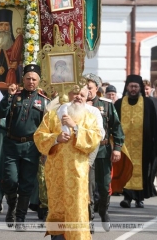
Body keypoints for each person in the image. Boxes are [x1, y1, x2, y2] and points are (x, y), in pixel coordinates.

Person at [34, 86, 102, 240]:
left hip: (77, 173)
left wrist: (75, 127)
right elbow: (38, 137)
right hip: (56, 172)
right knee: (57, 207)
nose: (78, 97)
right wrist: (56, 139)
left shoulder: (90, 117)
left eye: (82, 95)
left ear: (87, 98)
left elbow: (94, 140)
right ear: (69, 94)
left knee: (77, 208)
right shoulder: (52, 116)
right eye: (75, 93)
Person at [0, 64, 50, 230]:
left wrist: (44, 150)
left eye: (34, 79)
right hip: (12, 145)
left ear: (39, 81)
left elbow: (46, 128)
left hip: (32, 147)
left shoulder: (44, 101)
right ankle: (11, 205)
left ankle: (20, 218)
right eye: (28, 78)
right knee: (10, 180)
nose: (31, 82)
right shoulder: (14, 96)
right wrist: (8, 98)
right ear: (23, 79)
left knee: (26, 184)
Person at [114, 74, 157, 208]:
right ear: (127, 87)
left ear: (140, 88)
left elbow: (156, 124)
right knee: (126, 169)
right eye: (131, 86)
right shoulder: (119, 103)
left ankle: (139, 198)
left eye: (136, 87)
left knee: (143, 171)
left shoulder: (148, 103)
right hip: (124, 145)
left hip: (144, 145)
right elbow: (113, 124)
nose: (133, 89)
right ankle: (127, 197)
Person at [84, 73, 124, 231]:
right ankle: (89, 219)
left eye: (90, 88)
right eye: (85, 88)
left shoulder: (106, 104)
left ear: (96, 89)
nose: (87, 91)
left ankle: (104, 210)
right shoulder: (78, 104)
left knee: (104, 186)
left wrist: (117, 148)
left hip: (103, 149)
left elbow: (117, 127)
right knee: (88, 186)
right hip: (85, 151)